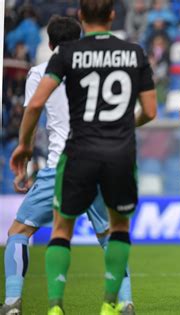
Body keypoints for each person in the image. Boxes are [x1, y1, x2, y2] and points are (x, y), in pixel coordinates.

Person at [9, 1, 157, 314]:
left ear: (81, 15)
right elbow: (151, 111)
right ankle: (119, 302)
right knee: (115, 232)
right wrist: (119, 126)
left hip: (72, 158)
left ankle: (42, 305)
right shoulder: (133, 53)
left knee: (42, 231)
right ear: (113, 15)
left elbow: (34, 106)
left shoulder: (64, 59)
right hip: (117, 155)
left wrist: (23, 146)